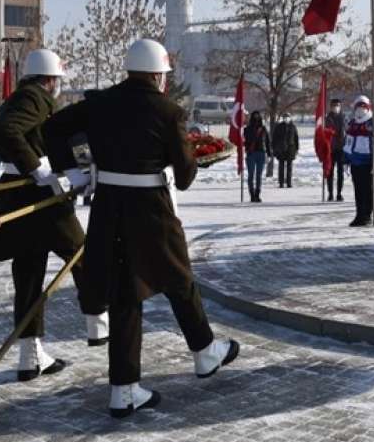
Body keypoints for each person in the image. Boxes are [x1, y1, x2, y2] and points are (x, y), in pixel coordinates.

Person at [43, 38, 239, 418]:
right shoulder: (168, 111)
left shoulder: (99, 102)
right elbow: (183, 177)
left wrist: (72, 169)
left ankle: (124, 388)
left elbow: (54, 128)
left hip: (109, 210)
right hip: (151, 211)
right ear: (156, 75)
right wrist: (192, 161)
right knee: (180, 280)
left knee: (123, 296)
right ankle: (204, 353)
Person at [0, 48, 108, 382]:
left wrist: (73, 171)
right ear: (50, 80)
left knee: (28, 274)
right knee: (82, 252)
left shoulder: (22, 98)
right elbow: (6, 131)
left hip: (17, 192)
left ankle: (30, 356)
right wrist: (36, 168)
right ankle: (99, 325)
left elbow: (49, 139)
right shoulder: (33, 98)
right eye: (57, 81)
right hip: (35, 194)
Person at [343, 96, 374, 227]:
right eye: (358, 107)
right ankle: (359, 215)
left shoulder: (373, 122)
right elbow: (347, 141)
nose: (360, 110)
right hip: (355, 162)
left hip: (368, 163)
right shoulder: (352, 123)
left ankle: (367, 216)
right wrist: (346, 159)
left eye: (363, 107)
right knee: (358, 190)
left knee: (368, 190)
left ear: (368, 107)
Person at [243, 111, 271, 202]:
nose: (256, 119)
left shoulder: (263, 129)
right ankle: (252, 195)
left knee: (259, 175)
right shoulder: (247, 129)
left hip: (261, 153)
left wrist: (269, 154)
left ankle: (257, 194)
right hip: (251, 154)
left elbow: (267, 142)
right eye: (254, 117)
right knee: (251, 175)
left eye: (258, 117)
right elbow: (244, 142)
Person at [325, 98, 347, 201]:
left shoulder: (343, 118)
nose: (336, 107)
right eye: (334, 105)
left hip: (341, 148)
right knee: (330, 172)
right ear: (331, 107)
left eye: (337, 105)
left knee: (340, 172)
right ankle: (330, 193)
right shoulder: (328, 119)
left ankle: (339, 193)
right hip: (330, 149)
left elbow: (347, 133)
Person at [272, 113, 300, 188]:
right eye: (284, 117)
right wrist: (274, 148)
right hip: (281, 149)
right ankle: (281, 183)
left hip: (291, 148)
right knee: (281, 167)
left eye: (287, 117)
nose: (286, 118)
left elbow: (296, 138)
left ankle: (289, 182)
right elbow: (274, 138)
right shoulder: (278, 126)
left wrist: (297, 148)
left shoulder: (293, 127)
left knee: (289, 167)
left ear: (290, 118)